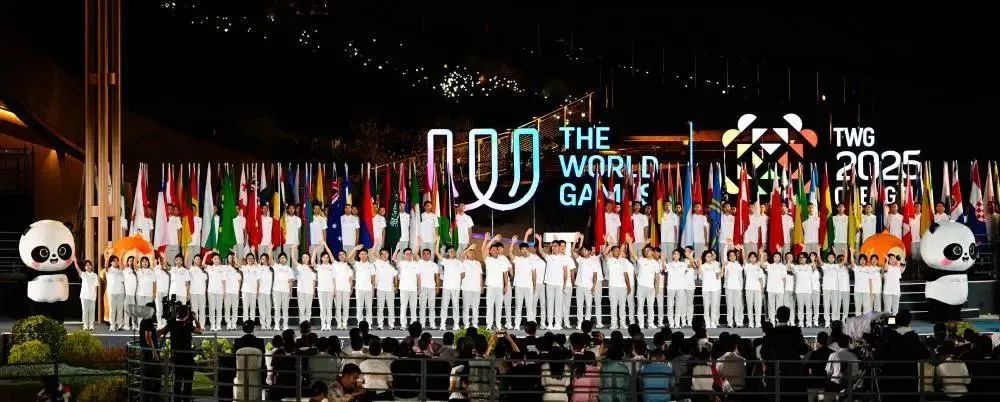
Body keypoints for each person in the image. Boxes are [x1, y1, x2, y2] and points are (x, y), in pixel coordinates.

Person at [157, 304, 204, 401]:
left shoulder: (172, 322)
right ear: (187, 314)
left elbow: (159, 333)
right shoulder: (188, 324)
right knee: (188, 382)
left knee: (177, 381)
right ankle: (186, 399)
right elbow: (200, 331)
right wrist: (195, 319)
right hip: (187, 357)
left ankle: (177, 399)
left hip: (177, 356)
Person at [761, 306, 809, 400]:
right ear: (788, 317)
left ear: (777, 317)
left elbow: (764, 353)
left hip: (776, 371)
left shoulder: (771, 332)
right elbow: (803, 350)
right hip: (793, 371)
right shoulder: (795, 332)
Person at [483, 234, 511, 330]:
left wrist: (506, 285)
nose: (495, 251)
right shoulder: (488, 259)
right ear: (490, 251)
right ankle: (489, 325)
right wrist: (493, 239)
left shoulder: (502, 260)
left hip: (500, 286)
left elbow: (505, 274)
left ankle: (498, 324)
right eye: (493, 250)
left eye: (496, 250)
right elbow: (485, 248)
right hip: (491, 286)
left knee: (499, 307)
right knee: (490, 306)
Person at [574, 235, 602, 329]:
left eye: (585, 250)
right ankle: (579, 323)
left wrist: (594, 286)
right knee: (579, 306)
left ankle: (587, 323)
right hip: (579, 286)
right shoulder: (580, 259)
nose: (583, 251)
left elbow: (595, 275)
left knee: (588, 306)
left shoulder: (594, 261)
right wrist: (576, 240)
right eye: (583, 250)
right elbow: (572, 251)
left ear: (589, 251)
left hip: (589, 286)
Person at [604, 241, 632, 330]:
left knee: (622, 307)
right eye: (616, 250)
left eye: (618, 250)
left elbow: (626, 274)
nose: (618, 252)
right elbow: (604, 254)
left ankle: (622, 323)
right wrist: (610, 245)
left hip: (623, 287)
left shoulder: (623, 261)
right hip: (613, 287)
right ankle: (614, 324)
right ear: (612, 252)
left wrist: (628, 286)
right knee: (613, 306)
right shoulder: (609, 261)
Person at [510, 235, 536, 330]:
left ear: (528, 250)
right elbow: (510, 253)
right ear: (520, 250)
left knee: (529, 307)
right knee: (518, 306)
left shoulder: (532, 260)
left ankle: (530, 326)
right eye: (522, 249)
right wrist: (513, 242)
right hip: (519, 286)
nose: (524, 250)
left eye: (526, 249)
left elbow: (534, 274)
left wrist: (534, 286)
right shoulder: (517, 259)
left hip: (529, 286)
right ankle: (517, 325)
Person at [439, 244, 464, 330]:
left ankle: (456, 324)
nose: (452, 252)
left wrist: (456, 279)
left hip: (456, 287)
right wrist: (437, 241)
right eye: (450, 251)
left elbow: (463, 274)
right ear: (447, 253)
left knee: (456, 306)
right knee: (444, 305)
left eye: (453, 251)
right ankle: (442, 324)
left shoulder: (459, 262)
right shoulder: (445, 261)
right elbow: (437, 253)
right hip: (446, 287)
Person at [351, 245, 376, 326]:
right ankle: (360, 323)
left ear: (367, 255)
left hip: (368, 289)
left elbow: (373, 280)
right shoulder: (357, 264)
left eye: (365, 254)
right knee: (359, 308)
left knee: (369, 308)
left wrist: (373, 291)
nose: (363, 255)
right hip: (359, 289)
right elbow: (349, 258)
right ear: (359, 255)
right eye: (361, 254)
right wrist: (355, 249)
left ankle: (369, 324)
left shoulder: (371, 265)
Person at [373, 248, 398, 330]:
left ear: (388, 254)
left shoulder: (392, 264)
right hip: (380, 288)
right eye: (382, 254)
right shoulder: (377, 262)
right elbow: (373, 253)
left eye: (386, 253)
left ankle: (392, 324)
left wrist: (396, 287)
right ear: (380, 255)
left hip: (390, 289)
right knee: (380, 307)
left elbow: (395, 276)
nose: (384, 255)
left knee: (391, 307)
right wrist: (375, 244)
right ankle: (380, 324)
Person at [806, 332, 834, 402]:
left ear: (818, 341)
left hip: (815, 382)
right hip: (827, 383)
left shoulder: (814, 353)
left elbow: (809, 366)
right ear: (827, 340)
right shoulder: (832, 353)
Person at [416, 247, 440, 329]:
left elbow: (437, 277)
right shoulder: (419, 264)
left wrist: (437, 287)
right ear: (422, 255)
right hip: (422, 287)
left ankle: (432, 324)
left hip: (432, 287)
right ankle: (422, 324)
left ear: (430, 255)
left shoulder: (434, 265)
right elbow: (418, 277)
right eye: (424, 254)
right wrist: (419, 288)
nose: (425, 255)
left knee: (432, 307)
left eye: (427, 254)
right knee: (422, 307)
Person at [396, 248, 420, 327]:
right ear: (404, 255)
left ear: (412, 254)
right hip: (404, 288)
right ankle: (403, 324)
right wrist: (397, 249)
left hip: (413, 289)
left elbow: (418, 277)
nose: (408, 255)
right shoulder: (401, 263)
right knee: (403, 306)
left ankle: (414, 324)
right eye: (407, 254)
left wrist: (419, 287)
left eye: (410, 253)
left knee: (413, 307)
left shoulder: (416, 263)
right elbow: (393, 258)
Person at [271, 253, 295, 330]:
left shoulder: (289, 269)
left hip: (286, 291)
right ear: (279, 259)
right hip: (276, 290)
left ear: (286, 259)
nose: (282, 259)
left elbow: (290, 281)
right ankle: (276, 325)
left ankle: (285, 325)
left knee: (285, 309)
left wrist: (290, 290)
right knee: (277, 308)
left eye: (284, 258)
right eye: (281, 258)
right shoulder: (276, 266)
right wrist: (270, 249)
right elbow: (270, 259)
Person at [461, 246, 483, 327]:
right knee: (466, 307)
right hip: (466, 288)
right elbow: (461, 255)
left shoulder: (478, 263)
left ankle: (475, 323)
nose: (472, 254)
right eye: (470, 253)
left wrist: (481, 286)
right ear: (467, 254)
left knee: (475, 307)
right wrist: (468, 248)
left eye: (473, 253)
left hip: (476, 289)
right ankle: (466, 323)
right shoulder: (464, 262)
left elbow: (480, 275)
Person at [700, 250, 722, 328]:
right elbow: (700, 276)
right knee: (706, 306)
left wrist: (720, 269)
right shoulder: (703, 266)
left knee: (714, 306)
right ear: (705, 257)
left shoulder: (715, 265)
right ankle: (707, 322)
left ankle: (713, 321)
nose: (709, 258)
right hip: (706, 288)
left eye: (710, 256)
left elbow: (718, 276)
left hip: (714, 288)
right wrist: (699, 265)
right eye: (708, 256)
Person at [74, 260, 99, 330]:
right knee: (85, 311)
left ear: (91, 266)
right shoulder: (83, 274)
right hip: (84, 296)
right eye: (87, 265)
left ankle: (91, 325)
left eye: (89, 265)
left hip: (92, 296)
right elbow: (77, 269)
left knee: (92, 312)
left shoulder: (95, 275)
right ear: (85, 267)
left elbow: (96, 286)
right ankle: (85, 325)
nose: (88, 266)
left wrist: (95, 296)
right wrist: (75, 262)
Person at [664, 249, 686, 328]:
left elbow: (686, 271)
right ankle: (671, 322)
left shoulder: (683, 264)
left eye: (677, 254)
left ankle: (677, 322)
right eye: (674, 254)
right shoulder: (669, 264)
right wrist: (663, 260)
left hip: (680, 287)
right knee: (670, 305)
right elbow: (664, 270)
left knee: (679, 306)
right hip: (671, 287)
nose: (676, 255)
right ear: (672, 255)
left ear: (679, 256)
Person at [316, 248, 337, 331]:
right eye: (324, 257)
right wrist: (315, 249)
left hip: (330, 290)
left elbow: (334, 279)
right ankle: (323, 325)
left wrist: (334, 290)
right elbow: (312, 262)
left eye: (327, 257)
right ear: (321, 258)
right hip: (321, 290)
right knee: (322, 308)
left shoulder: (332, 267)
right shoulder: (319, 267)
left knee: (329, 308)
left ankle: (328, 324)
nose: (326, 258)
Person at [743, 251, 764, 328]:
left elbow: (761, 279)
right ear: (749, 258)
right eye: (751, 257)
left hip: (757, 289)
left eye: (754, 257)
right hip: (749, 288)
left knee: (758, 306)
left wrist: (762, 289)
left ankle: (758, 322)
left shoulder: (759, 267)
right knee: (749, 306)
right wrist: (743, 251)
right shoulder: (747, 266)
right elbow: (744, 259)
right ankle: (751, 322)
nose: (752, 258)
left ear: (756, 258)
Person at [104, 255, 126, 331]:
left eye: (117, 261)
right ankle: (112, 325)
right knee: (112, 310)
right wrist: (107, 259)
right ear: (111, 262)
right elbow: (105, 266)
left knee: (120, 309)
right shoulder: (108, 270)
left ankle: (119, 325)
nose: (116, 262)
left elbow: (123, 281)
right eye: (114, 261)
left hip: (121, 292)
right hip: (111, 292)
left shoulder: (121, 270)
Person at [723, 250, 744, 328]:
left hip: (737, 288)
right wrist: (726, 247)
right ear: (728, 257)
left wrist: (741, 287)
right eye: (730, 255)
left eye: (733, 255)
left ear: (736, 256)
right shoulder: (727, 264)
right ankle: (730, 323)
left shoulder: (738, 265)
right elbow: (724, 257)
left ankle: (738, 322)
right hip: (729, 288)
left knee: (738, 306)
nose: (732, 257)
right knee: (729, 306)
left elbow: (740, 277)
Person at [793, 253, 814, 327]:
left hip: (808, 290)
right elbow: (789, 269)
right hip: (799, 290)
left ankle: (809, 322)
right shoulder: (796, 267)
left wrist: (813, 260)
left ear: (806, 259)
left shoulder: (810, 266)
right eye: (800, 257)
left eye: (803, 257)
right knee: (800, 307)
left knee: (809, 307)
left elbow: (814, 268)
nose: (801, 259)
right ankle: (801, 322)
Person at [765, 252, 786, 323]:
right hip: (771, 289)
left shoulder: (783, 266)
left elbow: (784, 278)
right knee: (771, 306)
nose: (777, 258)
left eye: (778, 257)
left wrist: (783, 289)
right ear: (773, 258)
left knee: (779, 306)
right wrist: (761, 255)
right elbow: (762, 265)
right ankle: (772, 321)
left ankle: (778, 320)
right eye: (775, 257)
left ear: (780, 258)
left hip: (780, 289)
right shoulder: (769, 265)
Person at [297, 253, 317, 326]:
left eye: (306, 257)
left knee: (308, 308)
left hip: (309, 291)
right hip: (301, 290)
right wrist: (293, 249)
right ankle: (302, 322)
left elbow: (314, 281)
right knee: (301, 308)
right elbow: (293, 258)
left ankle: (307, 322)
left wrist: (313, 291)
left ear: (309, 258)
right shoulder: (300, 266)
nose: (305, 258)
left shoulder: (312, 268)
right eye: (303, 257)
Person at [820, 253, 840, 325]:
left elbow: (844, 261)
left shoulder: (837, 266)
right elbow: (819, 260)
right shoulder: (825, 265)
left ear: (834, 259)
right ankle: (827, 321)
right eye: (829, 257)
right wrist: (818, 251)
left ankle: (834, 320)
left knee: (834, 305)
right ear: (827, 258)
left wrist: (846, 252)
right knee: (826, 305)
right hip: (826, 288)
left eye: (832, 257)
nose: (831, 258)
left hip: (835, 288)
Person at [257, 254, 274, 330]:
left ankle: (268, 324)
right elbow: (258, 280)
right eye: (262, 259)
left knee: (268, 309)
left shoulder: (271, 268)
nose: (263, 260)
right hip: (261, 291)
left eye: (264, 258)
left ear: (267, 259)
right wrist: (258, 290)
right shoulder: (259, 268)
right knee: (262, 309)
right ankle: (263, 324)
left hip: (268, 292)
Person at [122, 257, 138, 330]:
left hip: (135, 294)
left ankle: (134, 325)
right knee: (126, 310)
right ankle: (126, 325)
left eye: (133, 261)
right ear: (128, 262)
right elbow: (122, 283)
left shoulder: (137, 271)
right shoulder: (124, 271)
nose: (131, 262)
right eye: (130, 261)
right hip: (127, 293)